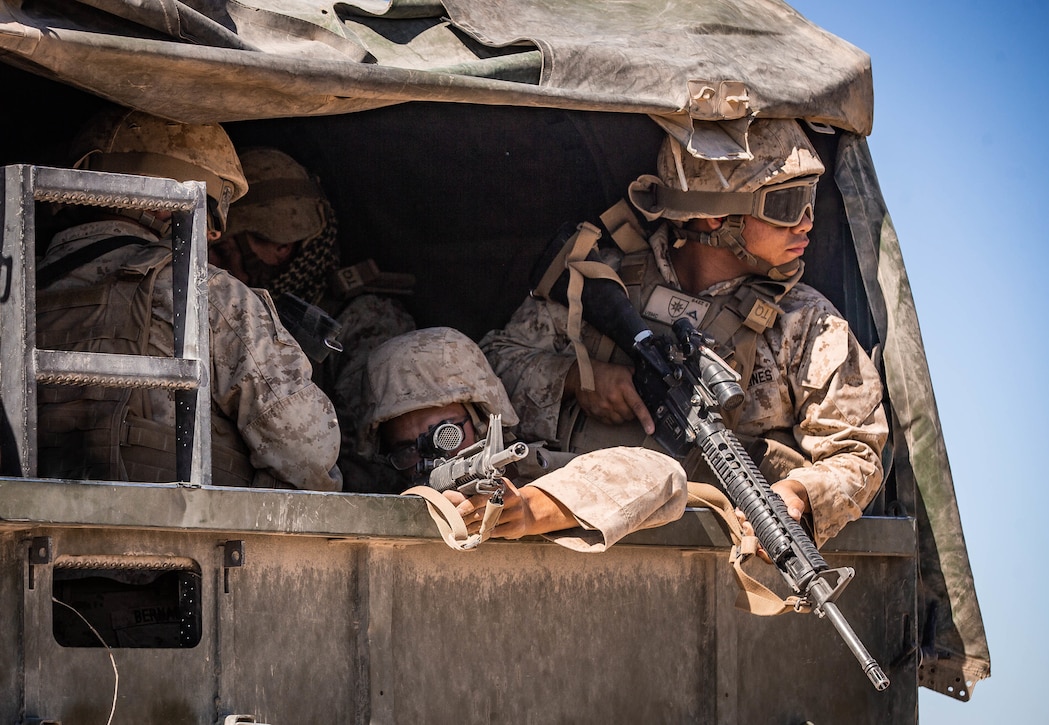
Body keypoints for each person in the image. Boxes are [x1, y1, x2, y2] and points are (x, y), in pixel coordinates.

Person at [480, 118, 888, 547]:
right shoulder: (600, 283)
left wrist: (796, 497)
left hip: (699, 547)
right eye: (786, 204)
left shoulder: (804, 321)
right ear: (715, 217)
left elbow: (856, 452)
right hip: (547, 520)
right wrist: (578, 382)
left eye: (811, 201)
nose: (806, 222)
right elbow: (494, 367)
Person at [35, 107, 341, 490]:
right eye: (211, 207)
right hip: (183, 539)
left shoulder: (17, 290)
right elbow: (305, 451)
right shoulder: (202, 290)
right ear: (166, 199)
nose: (212, 234)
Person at [358, 327, 688, 552]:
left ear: (484, 421)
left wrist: (531, 510)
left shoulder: (535, 474)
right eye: (405, 451)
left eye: (446, 435)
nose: (429, 460)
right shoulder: (383, 499)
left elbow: (659, 471)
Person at [213, 146, 416, 489]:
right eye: (263, 239)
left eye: (292, 243)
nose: (281, 253)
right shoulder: (210, 307)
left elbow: (373, 455)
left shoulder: (362, 319)